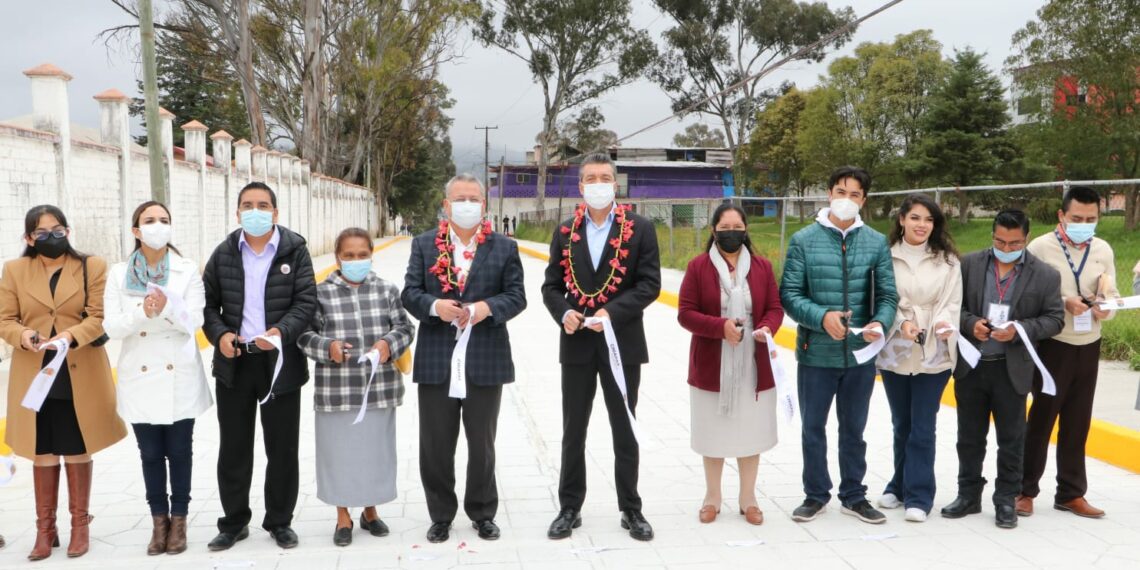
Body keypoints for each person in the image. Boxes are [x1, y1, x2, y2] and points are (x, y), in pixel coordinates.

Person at [541, 153, 662, 541]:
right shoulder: (564, 232)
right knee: (573, 429)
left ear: (615, 184)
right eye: (590, 177)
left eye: (604, 177)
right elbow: (551, 286)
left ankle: (631, 508)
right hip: (576, 345)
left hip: (620, 344)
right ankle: (569, 507)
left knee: (624, 428)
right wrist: (564, 314)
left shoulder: (640, 228)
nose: (597, 183)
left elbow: (649, 284)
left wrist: (612, 312)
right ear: (580, 187)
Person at [401, 174, 527, 544]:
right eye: (460, 198)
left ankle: (482, 512)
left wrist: (487, 308)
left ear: (483, 206)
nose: (467, 204)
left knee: (482, 442)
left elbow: (517, 296)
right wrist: (434, 306)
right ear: (446, 205)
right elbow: (410, 292)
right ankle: (440, 514)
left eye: (474, 198)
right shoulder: (424, 245)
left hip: (486, 358)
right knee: (436, 443)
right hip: (437, 359)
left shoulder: (503, 247)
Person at [0, 205, 128, 560]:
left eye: (58, 230)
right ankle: (45, 530)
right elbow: (5, 319)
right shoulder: (14, 270)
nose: (51, 237)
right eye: (41, 233)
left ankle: (79, 526)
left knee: (76, 442)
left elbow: (100, 316)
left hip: (77, 369)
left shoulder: (91, 266)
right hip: (34, 372)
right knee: (42, 448)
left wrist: (70, 336)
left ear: (68, 231)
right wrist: (23, 334)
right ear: (28, 238)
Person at [202, 182, 317, 551]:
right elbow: (207, 306)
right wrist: (219, 334)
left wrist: (281, 332)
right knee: (234, 447)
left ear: (275, 213)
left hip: (280, 362)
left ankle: (279, 521)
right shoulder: (223, 254)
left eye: (263, 205)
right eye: (248, 205)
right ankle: (233, 522)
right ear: (237, 213)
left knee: (281, 447)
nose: (256, 211)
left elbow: (305, 302)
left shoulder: (295, 251)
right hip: (235, 362)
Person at [779, 166, 898, 525]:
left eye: (855, 194)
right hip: (815, 353)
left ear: (864, 200)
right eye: (841, 191)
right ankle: (815, 495)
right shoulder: (804, 240)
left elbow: (889, 296)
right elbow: (790, 294)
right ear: (829, 193)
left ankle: (854, 495)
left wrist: (880, 321)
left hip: (859, 356)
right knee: (813, 427)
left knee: (854, 429)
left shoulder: (876, 242)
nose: (847, 200)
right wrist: (821, 317)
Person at [941, 209, 1064, 529]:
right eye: (999, 241)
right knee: (969, 437)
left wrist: (1020, 329)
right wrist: (971, 324)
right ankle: (967, 495)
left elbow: (1055, 319)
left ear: (1026, 237)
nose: (1006, 248)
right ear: (992, 235)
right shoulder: (968, 264)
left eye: (1014, 243)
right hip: (972, 365)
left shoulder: (1046, 275)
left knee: (1012, 439)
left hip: (1013, 369)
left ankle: (1006, 500)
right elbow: (955, 307)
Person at [103, 201, 213, 555]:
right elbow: (112, 326)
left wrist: (164, 309)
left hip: (178, 371)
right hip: (139, 374)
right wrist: (141, 312)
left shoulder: (186, 270)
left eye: (163, 220)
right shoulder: (119, 274)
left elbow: (195, 320)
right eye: (149, 221)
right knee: (150, 453)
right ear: (136, 230)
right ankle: (158, 522)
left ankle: (179, 521)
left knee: (180, 451)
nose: (157, 226)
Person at [300, 228, 414, 546]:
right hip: (338, 391)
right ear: (337, 257)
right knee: (338, 455)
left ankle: (370, 512)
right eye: (348, 255)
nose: (355, 260)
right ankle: (342, 516)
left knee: (373, 453)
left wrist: (387, 344)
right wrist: (328, 348)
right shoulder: (320, 293)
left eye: (362, 254)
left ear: (371, 254)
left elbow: (405, 327)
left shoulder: (387, 290)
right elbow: (304, 335)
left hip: (379, 390)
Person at [677, 203, 783, 526]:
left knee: (751, 431)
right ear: (713, 232)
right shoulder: (698, 268)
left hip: (753, 362)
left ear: (746, 230)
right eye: (725, 228)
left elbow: (776, 308)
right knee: (714, 432)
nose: (732, 233)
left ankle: (748, 498)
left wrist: (766, 327)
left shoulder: (762, 268)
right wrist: (719, 328)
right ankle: (712, 497)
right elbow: (685, 313)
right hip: (713, 364)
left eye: (738, 227)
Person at [1019, 187, 1120, 519]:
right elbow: (1025, 297)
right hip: (1052, 344)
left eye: (1091, 219)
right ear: (1062, 216)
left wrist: (1106, 308)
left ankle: (1071, 493)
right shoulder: (1040, 248)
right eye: (1077, 218)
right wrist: (1064, 303)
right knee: (1042, 419)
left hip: (1089, 343)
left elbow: (1111, 291)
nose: (1084, 224)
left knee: (1078, 421)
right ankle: (1024, 489)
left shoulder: (1102, 249)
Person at [873, 194, 961, 523]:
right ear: (901, 220)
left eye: (928, 220)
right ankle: (898, 484)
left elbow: (952, 302)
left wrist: (935, 323)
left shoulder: (948, 261)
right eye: (915, 218)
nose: (921, 225)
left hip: (933, 352)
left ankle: (920, 495)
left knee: (922, 426)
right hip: (897, 350)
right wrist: (901, 322)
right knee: (902, 424)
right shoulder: (885, 256)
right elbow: (882, 295)